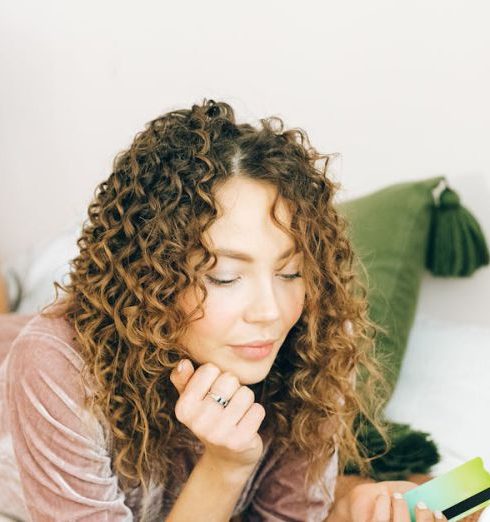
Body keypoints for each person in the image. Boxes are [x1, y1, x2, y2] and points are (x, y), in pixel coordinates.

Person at [0, 99, 446, 521]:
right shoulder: (57, 365)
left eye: (290, 273)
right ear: (151, 276)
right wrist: (226, 467)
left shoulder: (314, 339)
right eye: (226, 277)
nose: (270, 312)